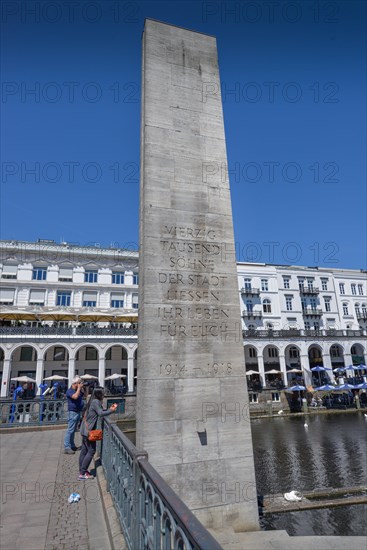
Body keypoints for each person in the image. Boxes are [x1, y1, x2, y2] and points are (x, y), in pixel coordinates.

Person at [79, 387, 117, 479]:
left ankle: (82, 470)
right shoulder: (96, 401)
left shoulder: (92, 401)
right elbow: (100, 413)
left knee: (84, 450)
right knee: (91, 451)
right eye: (103, 393)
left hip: (84, 429)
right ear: (99, 394)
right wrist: (111, 411)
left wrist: (108, 409)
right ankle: (82, 473)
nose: (104, 395)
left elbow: (98, 411)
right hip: (89, 431)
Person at [64, 376, 84, 454]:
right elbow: (75, 397)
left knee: (73, 430)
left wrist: (84, 388)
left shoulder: (77, 390)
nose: (79, 384)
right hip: (72, 412)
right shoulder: (69, 391)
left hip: (78, 412)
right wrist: (79, 388)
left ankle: (72, 445)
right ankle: (67, 447)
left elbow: (84, 395)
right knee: (70, 430)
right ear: (74, 383)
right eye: (79, 383)